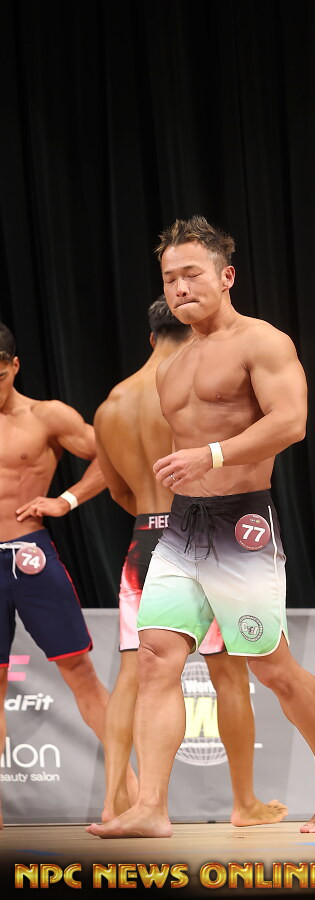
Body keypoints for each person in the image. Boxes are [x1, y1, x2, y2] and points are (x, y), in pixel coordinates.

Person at [88, 215, 315, 839]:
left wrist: (210, 456)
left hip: (241, 526)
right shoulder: (172, 366)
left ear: (226, 276)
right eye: (169, 279)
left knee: (270, 667)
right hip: (182, 528)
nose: (180, 287)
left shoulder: (263, 341)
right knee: (156, 658)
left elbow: (291, 422)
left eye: (192, 274)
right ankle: (151, 807)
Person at [93, 297, 287, 826]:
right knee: (228, 674)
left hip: (144, 539)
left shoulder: (111, 405)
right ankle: (244, 803)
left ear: (150, 338)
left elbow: (117, 491)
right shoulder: (186, 393)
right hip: (200, 532)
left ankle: (115, 802)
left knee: (134, 674)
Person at [0, 322, 119, 827]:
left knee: (80, 673)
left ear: (15, 366)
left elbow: (112, 456)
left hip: (30, 553)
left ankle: (127, 794)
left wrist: (66, 499)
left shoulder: (46, 416)